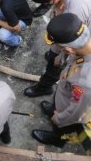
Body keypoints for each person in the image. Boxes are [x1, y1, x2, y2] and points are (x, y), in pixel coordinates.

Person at [23, 0, 91, 97]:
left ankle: (45, 87)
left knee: (54, 61)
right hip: (77, 22)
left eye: (47, 3)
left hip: (79, 36)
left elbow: (68, 44)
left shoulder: (74, 11)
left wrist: (58, 58)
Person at [32, 13, 91, 147]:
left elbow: (76, 113)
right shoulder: (82, 47)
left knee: (63, 129)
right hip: (64, 94)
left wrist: (59, 118)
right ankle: (54, 108)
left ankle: (56, 139)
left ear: (69, 48)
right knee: (56, 104)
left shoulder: (86, 82)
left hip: (69, 111)